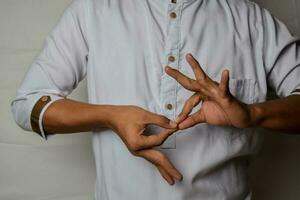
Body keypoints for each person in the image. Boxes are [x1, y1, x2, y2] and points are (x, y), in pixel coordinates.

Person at [11, 0, 300, 199]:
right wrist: (109, 116)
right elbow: (28, 105)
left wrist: (254, 114)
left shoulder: (253, 20)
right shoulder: (95, 9)